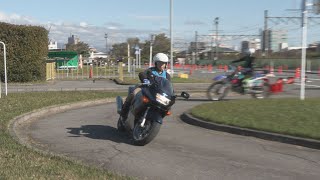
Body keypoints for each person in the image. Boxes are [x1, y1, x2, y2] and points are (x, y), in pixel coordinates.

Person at [120, 53, 171, 121]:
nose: (162, 65)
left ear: (166, 64)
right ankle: (124, 112)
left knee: (167, 105)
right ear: (155, 63)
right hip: (146, 88)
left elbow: (168, 85)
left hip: (158, 93)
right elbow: (142, 74)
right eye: (160, 63)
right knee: (134, 93)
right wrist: (145, 80)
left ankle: (157, 116)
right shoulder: (150, 71)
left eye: (164, 63)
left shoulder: (167, 75)